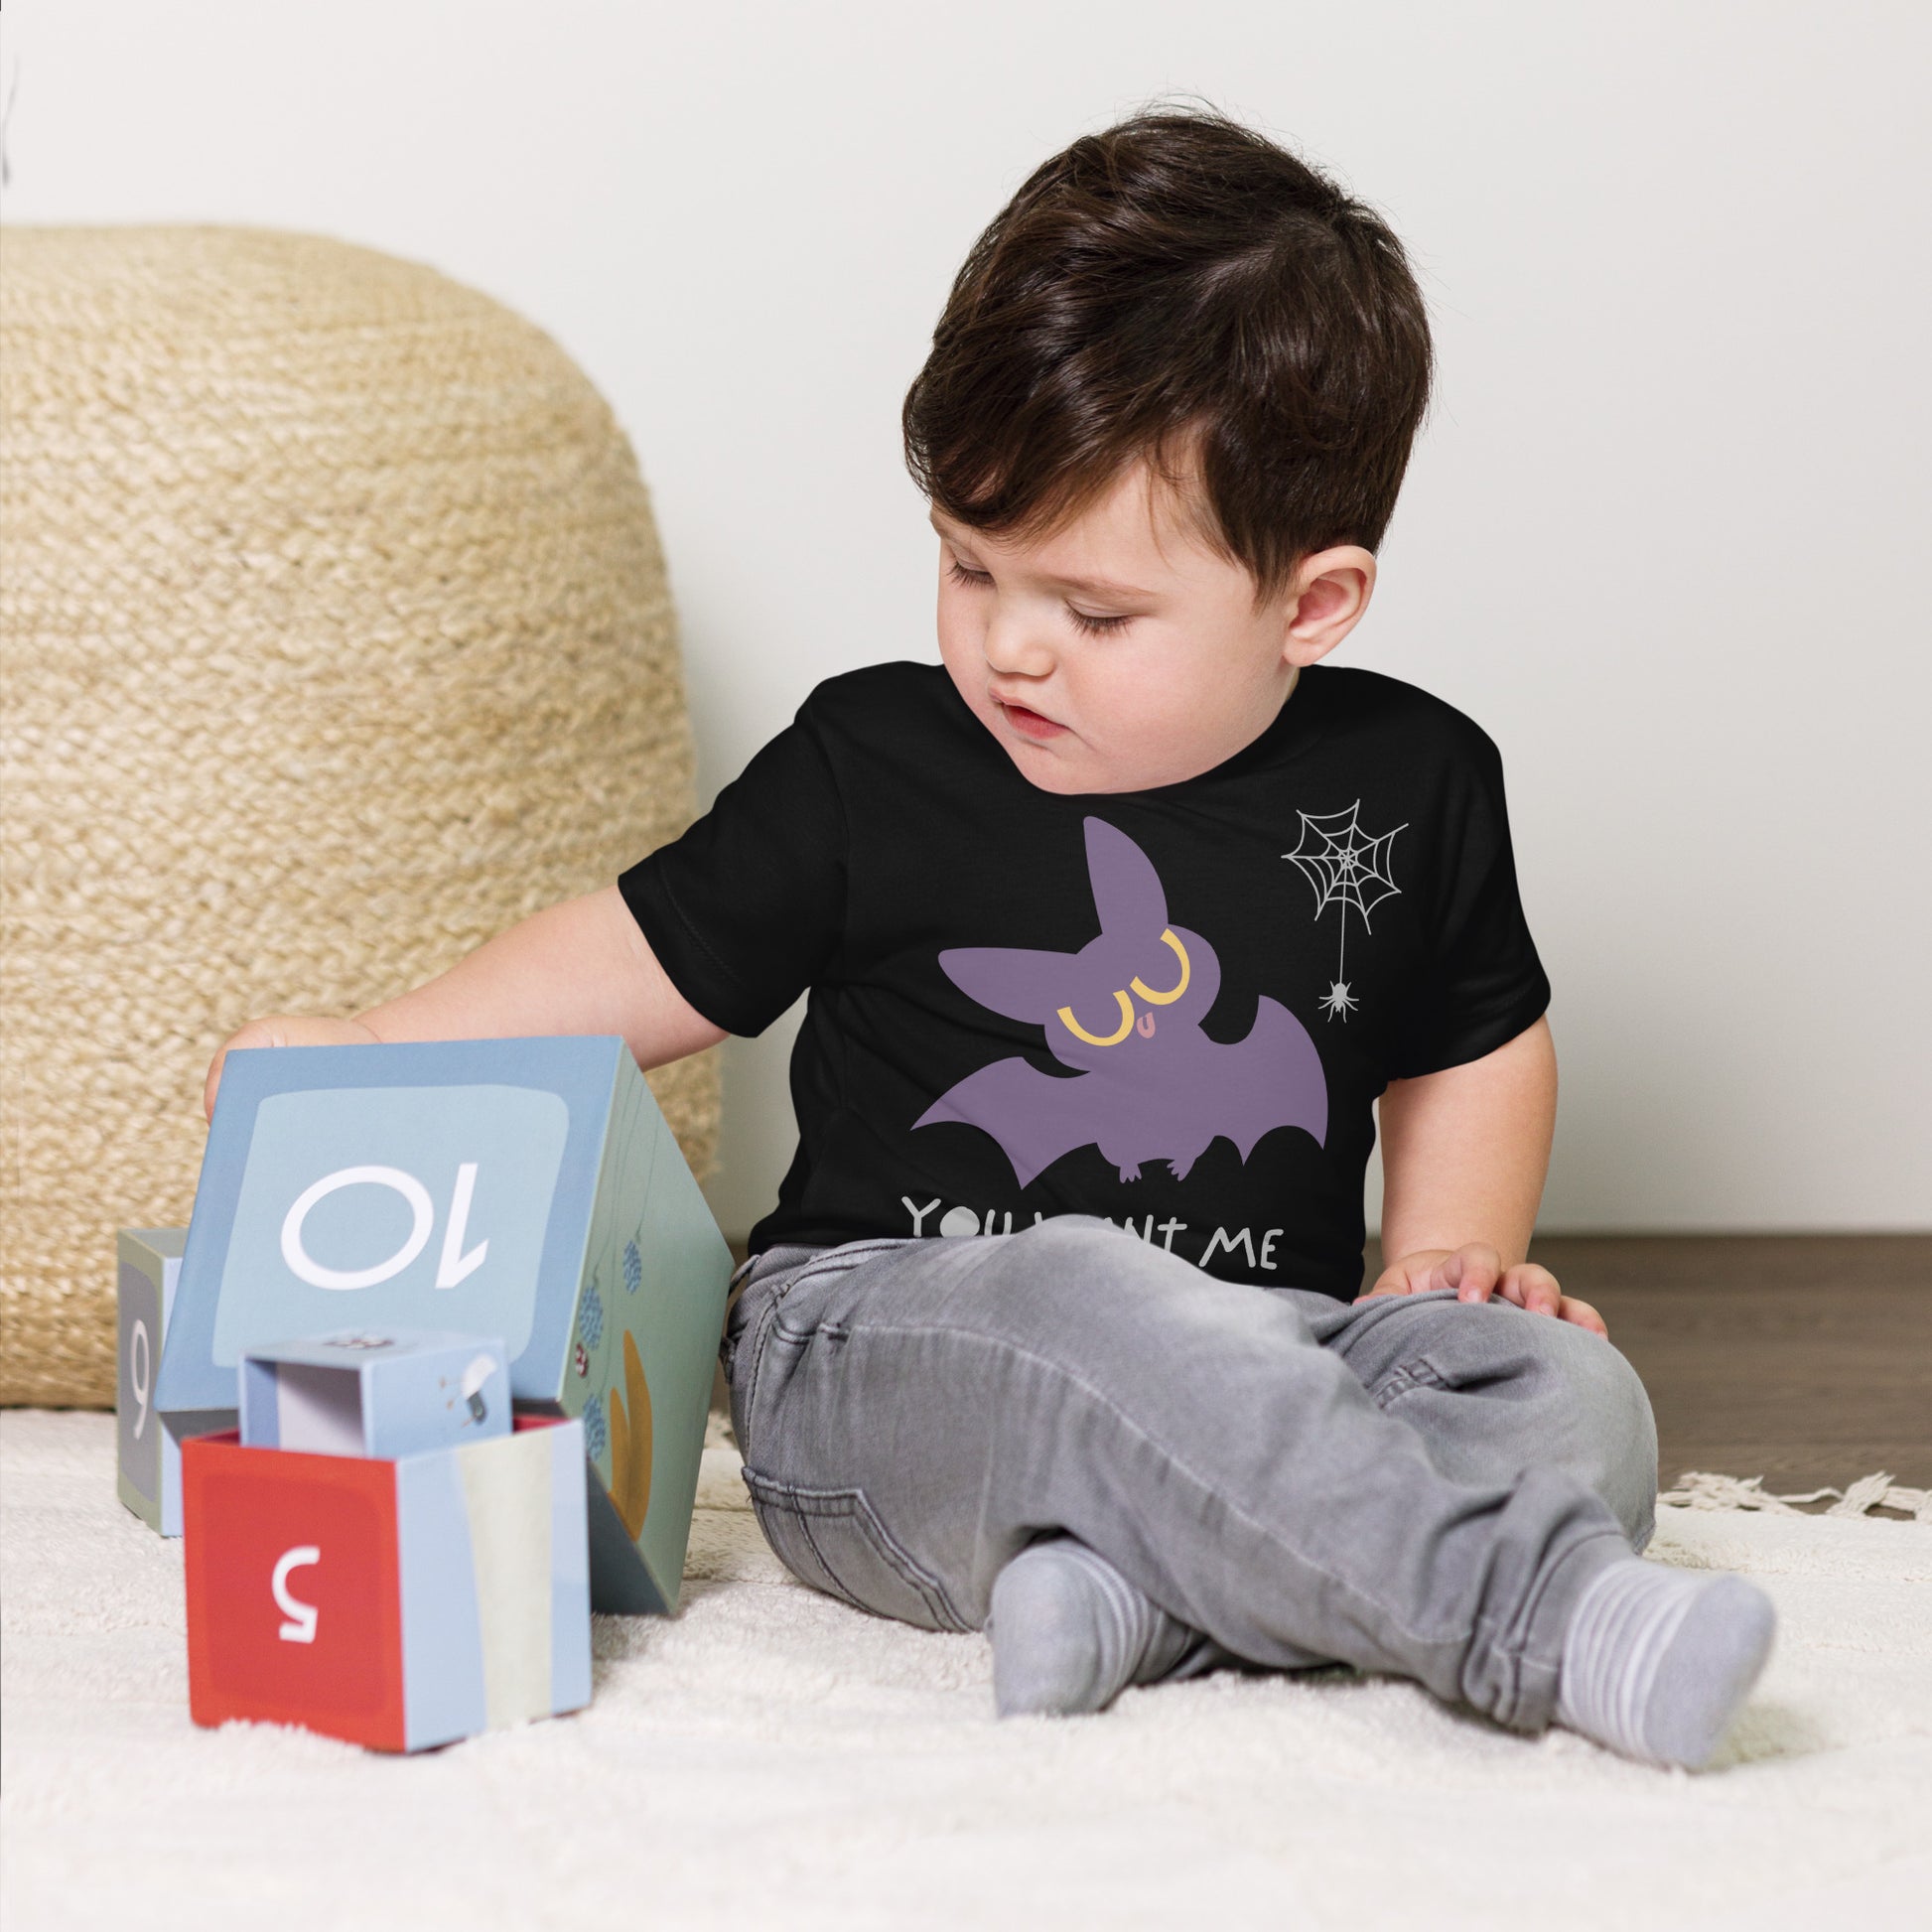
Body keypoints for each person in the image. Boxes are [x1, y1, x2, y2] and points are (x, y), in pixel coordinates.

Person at [207, 109, 1774, 1768]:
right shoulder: (870, 764)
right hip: (885, 1347)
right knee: (1089, 1298)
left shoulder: (1413, 782)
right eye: (967, 564)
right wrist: (377, 1050)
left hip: (1281, 1356)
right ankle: (1518, 1615)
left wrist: (1435, 1268)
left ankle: (1139, 1604)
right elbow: (635, 956)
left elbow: (1467, 1034)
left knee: (1571, 1398)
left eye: (1093, 613)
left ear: (1309, 604)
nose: (1009, 647)